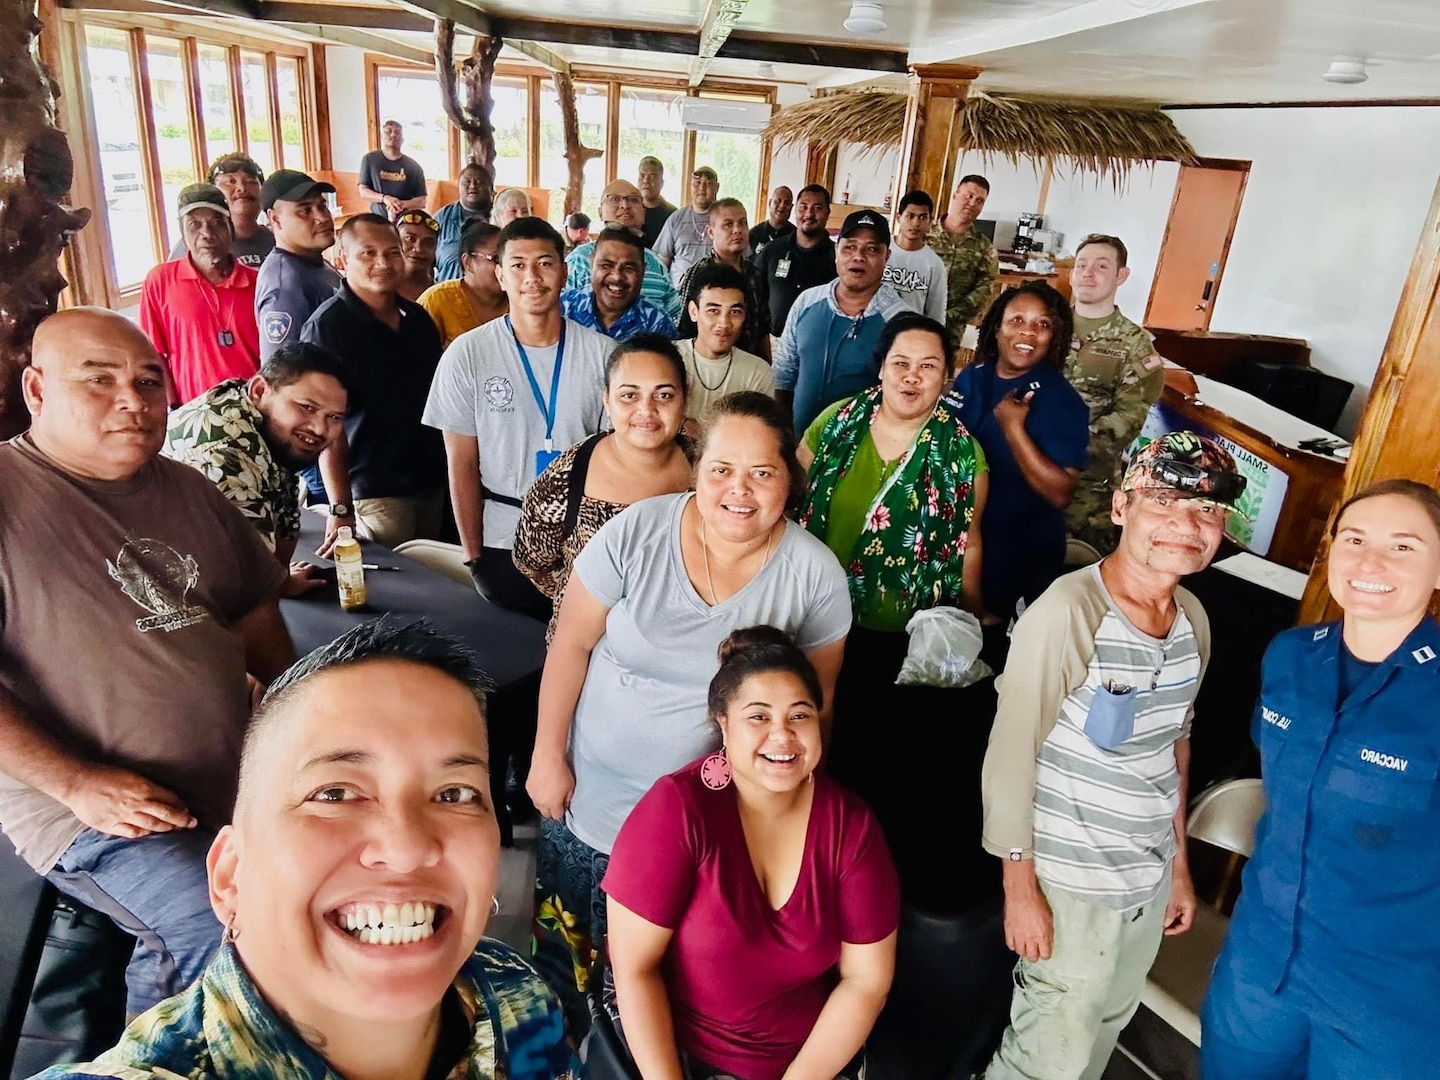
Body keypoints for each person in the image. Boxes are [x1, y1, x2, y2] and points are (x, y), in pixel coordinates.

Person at [35, 618, 581, 1080]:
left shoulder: (517, 995)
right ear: (231, 876)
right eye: (335, 793)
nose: (408, 847)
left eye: (454, 794)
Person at [525, 392, 851, 1033]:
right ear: (696, 468)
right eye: (722, 470)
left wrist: (783, 823)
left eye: (763, 472)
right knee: (567, 970)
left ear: (791, 479)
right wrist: (545, 754)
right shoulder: (637, 532)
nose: (740, 490)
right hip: (591, 799)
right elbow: (571, 642)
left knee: (660, 991)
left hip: (710, 830)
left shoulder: (815, 575)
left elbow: (818, 708)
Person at [0, 307, 293, 1017]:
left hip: (230, 777)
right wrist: (77, 782)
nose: (133, 401)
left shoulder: (185, 487)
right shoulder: (9, 495)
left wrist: (295, 718)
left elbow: (252, 608)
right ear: (36, 391)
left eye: (148, 381)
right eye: (98, 381)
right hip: (93, 808)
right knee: (214, 922)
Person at [980, 430, 1243, 1080]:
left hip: (1144, 883)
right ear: (1121, 508)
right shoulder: (1071, 612)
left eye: (1207, 509)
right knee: (1045, 1057)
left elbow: (1174, 747)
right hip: (1071, 884)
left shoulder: (1193, 621)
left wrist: (1178, 868)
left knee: (1099, 1033)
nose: (1186, 524)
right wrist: (1020, 889)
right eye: (1164, 503)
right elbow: (1011, 754)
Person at [1201, 479, 1440, 1080]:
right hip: (1259, 966)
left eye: (1404, 547)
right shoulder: (1291, 655)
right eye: (1353, 539)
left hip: (1390, 1000)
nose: (1369, 562)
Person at [604, 626, 900, 1080]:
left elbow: (866, 981)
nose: (782, 736)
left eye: (799, 716)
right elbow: (635, 969)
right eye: (758, 717)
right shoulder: (677, 809)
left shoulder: (851, 825)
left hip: (807, 1063)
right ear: (723, 722)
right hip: (677, 1058)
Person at [796, 313, 987, 894]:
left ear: (948, 376)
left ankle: (859, 872)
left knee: (876, 758)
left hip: (904, 638)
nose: (912, 377)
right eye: (901, 363)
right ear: (881, 367)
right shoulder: (836, 423)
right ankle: (806, 854)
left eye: (929, 366)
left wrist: (975, 613)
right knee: (814, 740)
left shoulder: (963, 452)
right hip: (817, 621)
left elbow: (969, 541)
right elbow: (793, 495)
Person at [423, 216, 610, 619]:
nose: (532, 277)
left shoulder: (604, 356)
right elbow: (461, 462)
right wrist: (474, 555)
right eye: (518, 265)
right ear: (500, 275)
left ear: (563, 271)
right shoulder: (468, 354)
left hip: (583, 544)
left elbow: (613, 459)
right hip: (501, 539)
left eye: (545, 263)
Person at [512, 334, 694, 643]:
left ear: (684, 400)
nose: (646, 410)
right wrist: (585, 598)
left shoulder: (709, 470)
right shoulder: (568, 476)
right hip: (584, 652)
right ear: (607, 400)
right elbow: (531, 561)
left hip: (679, 651)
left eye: (663, 395)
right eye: (629, 396)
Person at [301, 214, 448, 552]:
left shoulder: (418, 319)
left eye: (392, 252)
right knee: (399, 589)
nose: (383, 263)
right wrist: (340, 508)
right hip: (375, 490)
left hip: (431, 482)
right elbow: (325, 426)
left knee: (439, 585)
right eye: (368, 253)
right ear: (342, 259)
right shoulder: (327, 328)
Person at [164, 342, 350, 597]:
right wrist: (273, 583)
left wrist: (281, 580)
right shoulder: (227, 456)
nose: (320, 428)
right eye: (307, 407)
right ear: (260, 389)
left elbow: (284, 502)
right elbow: (250, 591)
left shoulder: (256, 413)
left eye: (334, 417)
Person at [954, 282, 1089, 626]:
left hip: (1016, 549)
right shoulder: (972, 376)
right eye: (1016, 320)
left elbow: (1060, 492)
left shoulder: (1061, 400)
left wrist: (1014, 429)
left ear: (1055, 337)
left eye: (1042, 324)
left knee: (995, 648)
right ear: (997, 327)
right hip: (960, 541)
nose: (1027, 331)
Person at [1063, 233, 1164, 554]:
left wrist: (1062, 445)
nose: (1088, 273)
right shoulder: (1047, 327)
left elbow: (1129, 417)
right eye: (1081, 265)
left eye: (1101, 266)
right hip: (1023, 475)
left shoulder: (1135, 344)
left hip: (1087, 491)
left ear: (1121, 275)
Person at [774, 209, 905, 434]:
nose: (858, 256)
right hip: (798, 445)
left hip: (860, 453)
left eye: (872, 249)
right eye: (850, 247)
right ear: (837, 251)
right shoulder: (807, 301)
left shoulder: (900, 321)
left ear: (887, 257)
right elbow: (784, 373)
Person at [139, 183, 260, 406]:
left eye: (217, 223)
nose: (207, 234)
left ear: (231, 228)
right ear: (182, 233)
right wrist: (173, 408)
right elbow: (152, 355)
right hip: (193, 412)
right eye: (194, 224)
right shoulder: (160, 281)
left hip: (254, 409)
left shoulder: (259, 282)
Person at [254, 168, 340, 360]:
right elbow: (283, 377)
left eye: (322, 206)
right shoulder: (284, 286)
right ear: (276, 219)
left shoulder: (315, 263)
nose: (323, 217)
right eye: (305, 210)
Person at [567, 179, 680, 321]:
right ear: (600, 212)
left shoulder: (655, 263)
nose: (625, 205)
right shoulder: (578, 260)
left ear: (644, 213)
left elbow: (673, 314)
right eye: (615, 199)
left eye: (633, 200)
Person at [675, 262, 774, 423]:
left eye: (735, 312)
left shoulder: (757, 371)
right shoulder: (669, 358)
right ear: (694, 311)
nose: (724, 323)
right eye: (713, 311)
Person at [676, 198, 772, 360]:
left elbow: (762, 328)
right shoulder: (698, 274)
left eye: (742, 223)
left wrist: (767, 364)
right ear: (711, 232)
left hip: (747, 365)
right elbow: (684, 330)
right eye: (728, 224)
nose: (737, 230)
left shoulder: (754, 273)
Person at [560, 227, 677, 341]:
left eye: (629, 268)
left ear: (643, 271)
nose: (617, 277)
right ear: (591, 263)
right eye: (606, 265)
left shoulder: (657, 324)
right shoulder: (563, 309)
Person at [166, 152, 274, 268]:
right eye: (230, 182)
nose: (242, 188)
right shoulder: (195, 244)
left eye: (250, 182)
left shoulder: (279, 239)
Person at [928, 174, 999, 341]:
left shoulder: (984, 248)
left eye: (980, 201)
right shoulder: (923, 234)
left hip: (950, 331)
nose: (973, 203)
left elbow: (984, 289)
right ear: (955, 196)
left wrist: (948, 316)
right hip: (910, 321)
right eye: (969, 196)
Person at [758, 184, 836, 336]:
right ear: (795, 210)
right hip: (773, 343)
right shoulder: (773, 250)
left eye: (817, 208)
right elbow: (755, 294)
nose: (809, 213)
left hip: (817, 344)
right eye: (803, 207)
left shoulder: (837, 257)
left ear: (827, 212)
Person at [418, 219, 508, 349]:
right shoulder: (436, 300)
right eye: (496, 259)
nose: (505, 267)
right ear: (468, 263)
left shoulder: (521, 299)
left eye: (510, 260)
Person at [883, 189, 948, 322]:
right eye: (910, 216)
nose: (916, 223)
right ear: (898, 218)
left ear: (930, 221)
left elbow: (936, 313)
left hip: (910, 334)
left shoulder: (934, 264)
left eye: (923, 217)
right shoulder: (880, 249)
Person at [654, 165, 719, 287]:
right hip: (679, 294)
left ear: (717, 187)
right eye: (697, 183)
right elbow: (662, 262)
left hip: (715, 292)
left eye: (708, 183)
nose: (702, 188)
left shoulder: (725, 219)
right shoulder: (676, 218)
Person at [433, 161, 494, 282]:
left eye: (480, 182)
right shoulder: (442, 218)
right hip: (447, 293)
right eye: (467, 182)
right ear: (459, 187)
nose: (472, 186)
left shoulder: (502, 214)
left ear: (491, 188)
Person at [357, 119, 428, 219]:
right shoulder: (369, 160)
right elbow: (363, 192)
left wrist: (400, 204)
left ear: (403, 139)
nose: (393, 135)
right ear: (381, 136)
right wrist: (385, 199)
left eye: (397, 132)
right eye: (388, 131)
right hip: (377, 221)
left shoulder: (414, 166)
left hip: (405, 222)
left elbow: (422, 201)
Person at [395, 208, 440, 302]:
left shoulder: (441, 295)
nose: (418, 249)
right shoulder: (377, 291)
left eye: (428, 243)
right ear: (394, 241)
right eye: (410, 239)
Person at [638, 155, 676, 249]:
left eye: (652, 177)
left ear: (662, 183)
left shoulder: (673, 214)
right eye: (642, 176)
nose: (646, 181)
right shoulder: (629, 210)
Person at [748, 185, 794, 260]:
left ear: (791, 207)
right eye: (778, 201)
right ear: (770, 203)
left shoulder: (796, 237)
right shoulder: (753, 234)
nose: (782, 206)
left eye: (787, 203)